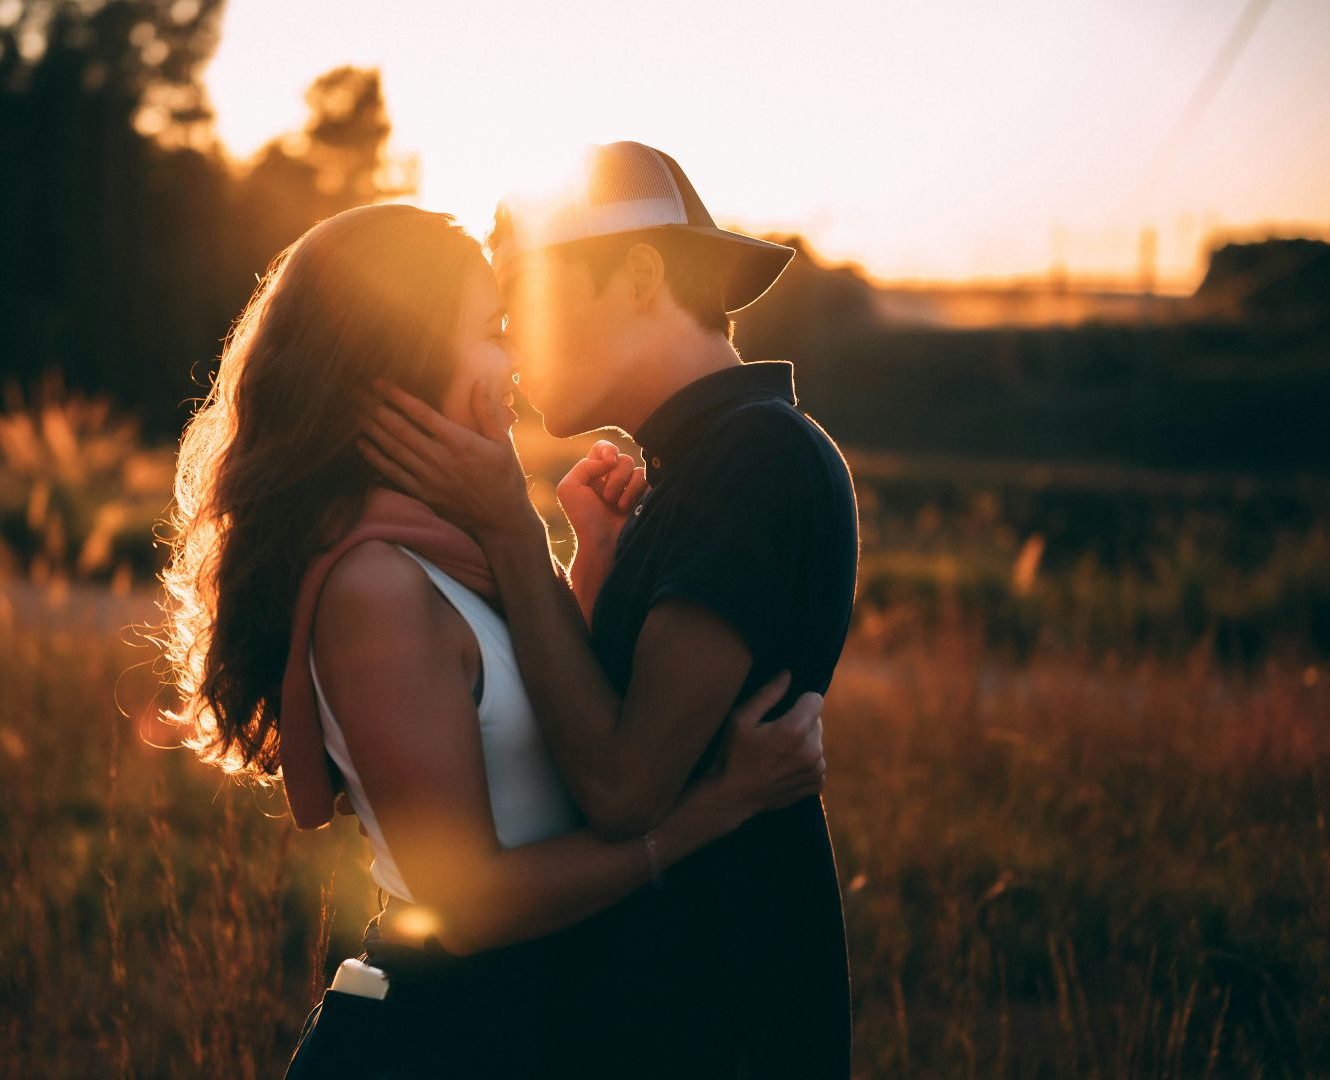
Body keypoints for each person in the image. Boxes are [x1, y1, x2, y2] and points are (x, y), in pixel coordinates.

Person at [155, 202, 830, 1078]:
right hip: (431, 1036)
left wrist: (587, 567)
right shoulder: (373, 585)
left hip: (514, 1023)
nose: (514, 358)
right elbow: (467, 905)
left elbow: (549, 731)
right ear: (402, 354)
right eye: (490, 331)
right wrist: (718, 807)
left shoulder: (459, 549)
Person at [359, 141, 862, 1076]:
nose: (510, 350)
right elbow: (597, 731)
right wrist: (587, 565)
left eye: (527, 306)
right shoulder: (695, 468)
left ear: (636, 275)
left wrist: (510, 527)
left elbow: (625, 789)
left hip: (722, 1017)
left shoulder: (755, 459)